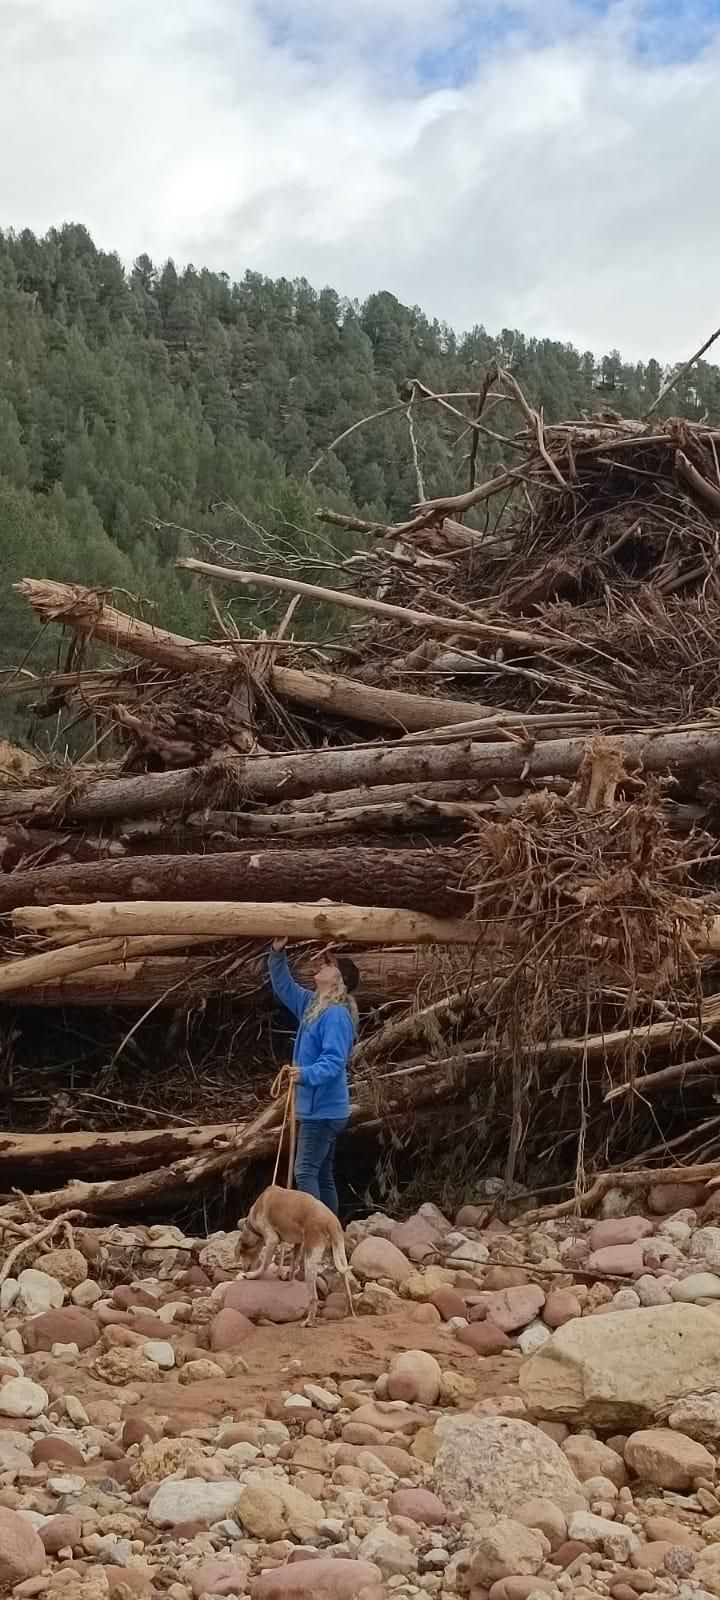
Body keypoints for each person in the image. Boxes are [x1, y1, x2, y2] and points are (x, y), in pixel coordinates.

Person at [267, 938, 359, 1215]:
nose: (322, 964)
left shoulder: (335, 1015)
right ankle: (332, 1232)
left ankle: (314, 1231)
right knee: (321, 1174)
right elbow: (284, 987)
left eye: (329, 964)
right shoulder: (312, 1004)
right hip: (320, 1109)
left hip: (323, 1112)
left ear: (338, 980)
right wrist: (277, 952)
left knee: (305, 1171)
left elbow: (333, 1061)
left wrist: (304, 1074)